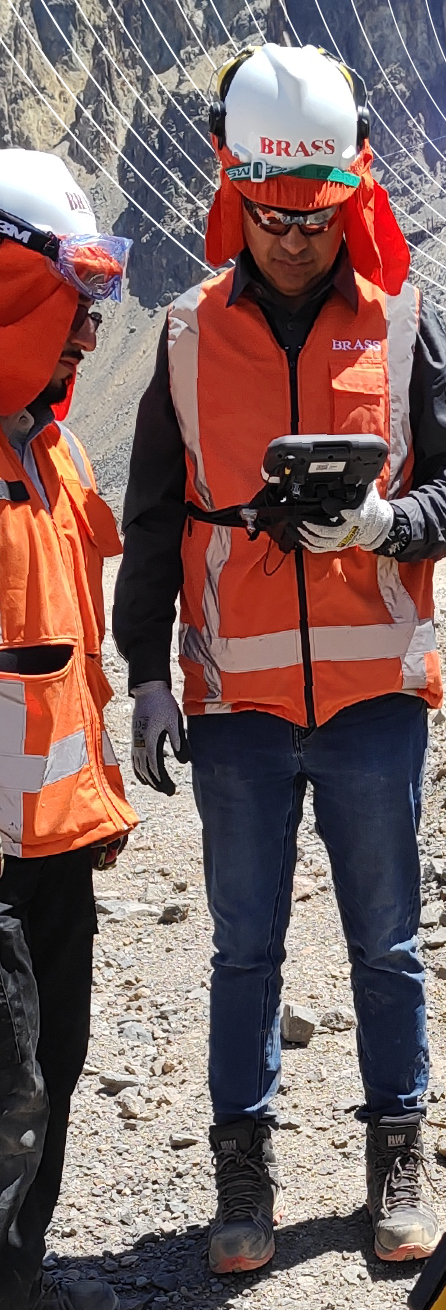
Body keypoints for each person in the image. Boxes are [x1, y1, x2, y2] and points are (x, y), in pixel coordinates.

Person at [113, 44, 446, 1277]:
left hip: (377, 696)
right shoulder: (179, 338)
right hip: (236, 710)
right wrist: (150, 677)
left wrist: (388, 523)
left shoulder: (402, 319)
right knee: (243, 950)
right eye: (271, 217)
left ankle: (397, 1162)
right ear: (238, 195)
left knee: (386, 943)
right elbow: (158, 522)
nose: (290, 239)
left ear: (349, 195)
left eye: (314, 219)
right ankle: (245, 1179)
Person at [0, 149, 138, 1310]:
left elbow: (71, 651)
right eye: (73, 311)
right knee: (4, 1091)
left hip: (51, 846)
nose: (88, 340)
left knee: (53, 1068)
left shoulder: (53, 451)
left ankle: (22, 1271)